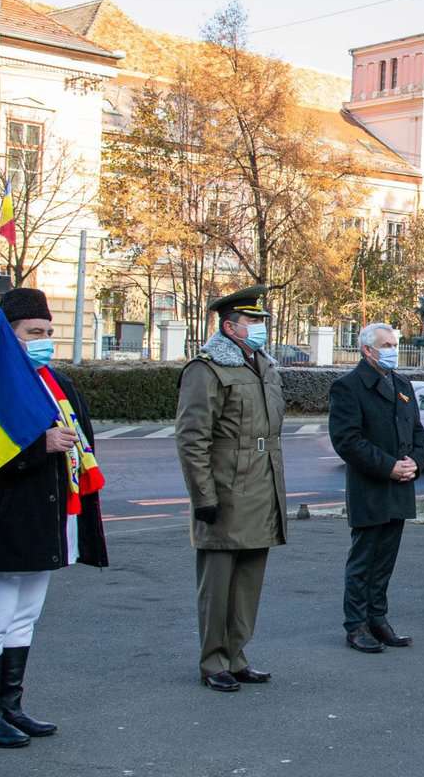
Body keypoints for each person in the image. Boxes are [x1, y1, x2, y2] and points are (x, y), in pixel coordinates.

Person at [0, 287, 108, 747]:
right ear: (8, 335)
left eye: (49, 332)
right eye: (35, 332)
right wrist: (39, 449)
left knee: (24, 620)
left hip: (46, 522)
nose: (46, 341)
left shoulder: (57, 385)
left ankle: (10, 707)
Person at [175, 286, 286, 692]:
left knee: (248, 583)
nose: (260, 329)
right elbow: (192, 439)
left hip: (261, 486)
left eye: (261, 322)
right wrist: (202, 496)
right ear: (229, 327)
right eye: (252, 322)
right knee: (218, 584)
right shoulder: (206, 369)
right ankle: (213, 661)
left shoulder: (263, 366)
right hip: (225, 489)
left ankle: (238, 656)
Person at [329, 323, 424, 651]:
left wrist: (416, 461)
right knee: (364, 559)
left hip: (400, 484)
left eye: (394, 344)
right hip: (371, 485)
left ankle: (378, 618)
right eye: (386, 344)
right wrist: (389, 466)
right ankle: (356, 625)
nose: (392, 350)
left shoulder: (401, 383)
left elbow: (417, 431)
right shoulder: (349, 386)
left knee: (386, 558)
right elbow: (347, 440)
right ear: (367, 350)